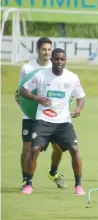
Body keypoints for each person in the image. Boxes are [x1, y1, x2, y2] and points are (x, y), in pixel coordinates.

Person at [19, 48, 86, 195]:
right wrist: (37, 98)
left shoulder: (72, 77)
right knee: (34, 149)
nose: (59, 62)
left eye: (62, 59)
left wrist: (79, 108)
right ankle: (28, 183)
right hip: (43, 120)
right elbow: (23, 90)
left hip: (63, 122)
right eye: (56, 59)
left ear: (65, 60)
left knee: (74, 149)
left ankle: (78, 185)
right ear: (52, 60)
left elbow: (80, 96)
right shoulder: (41, 75)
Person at [15, 37, 67, 190]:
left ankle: (54, 173)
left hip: (52, 116)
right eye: (44, 49)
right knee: (27, 148)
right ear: (38, 50)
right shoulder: (27, 68)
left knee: (58, 147)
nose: (47, 52)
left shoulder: (55, 66)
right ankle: (26, 179)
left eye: (49, 50)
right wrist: (26, 108)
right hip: (31, 116)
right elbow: (21, 93)